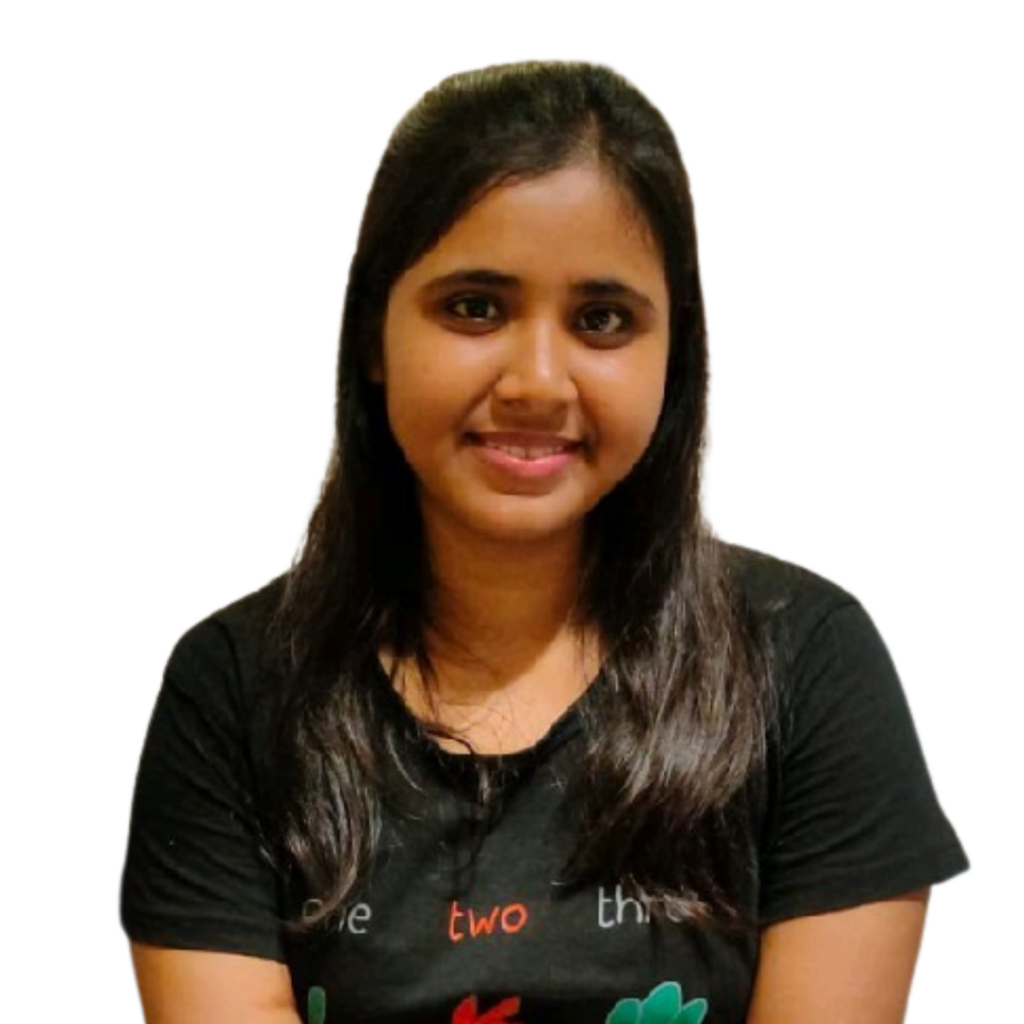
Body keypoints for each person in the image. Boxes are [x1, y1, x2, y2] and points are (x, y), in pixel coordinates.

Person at [121, 61, 968, 1024]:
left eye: (602, 320)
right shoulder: (234, 691)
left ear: (674, 355)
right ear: (372, 336)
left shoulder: (807, 666)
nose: (535, 381)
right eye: (475, 307)